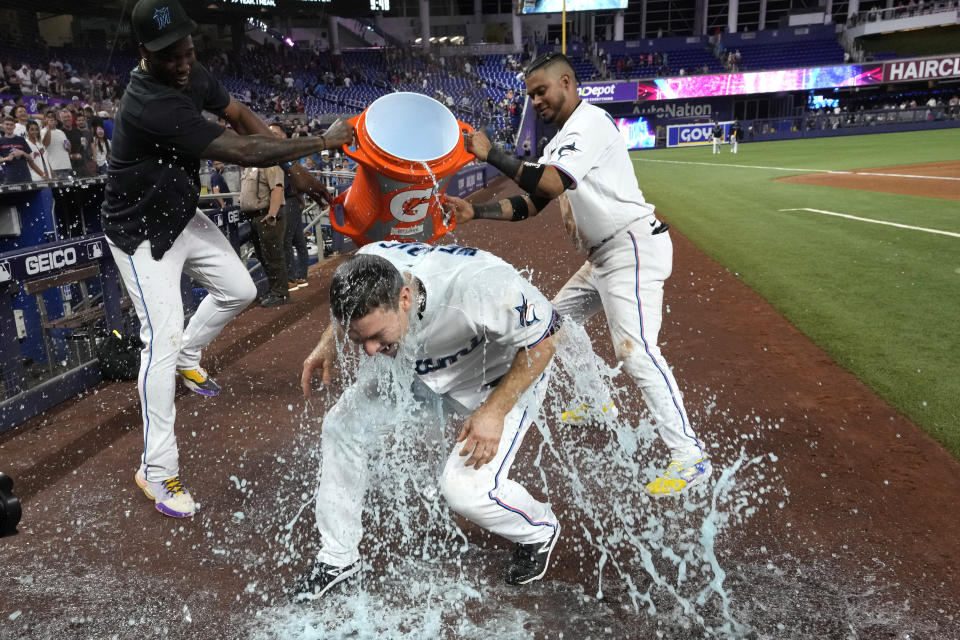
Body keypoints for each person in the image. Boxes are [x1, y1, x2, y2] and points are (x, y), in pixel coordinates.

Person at [101, 0, 355, 519]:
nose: (182, 62)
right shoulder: (149, 102)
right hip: (141, 233)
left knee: (239, 290)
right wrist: (321, 142)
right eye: (170, 55)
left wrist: (300, 168)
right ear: (146, 53)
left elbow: (239, 115)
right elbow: (241, 151)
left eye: (187, 50)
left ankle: (191, 356)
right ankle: (156, 470)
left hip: (178, 214)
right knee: (160, 342)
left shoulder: (191, 72)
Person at [444, 53, 711, 497]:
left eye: (541, 91)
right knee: (550, 325)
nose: (535, 101)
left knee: (636, 351)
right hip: (602, 258)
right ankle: (597, 404)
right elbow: (531, 203)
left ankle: (689, 456)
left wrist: (493, 155)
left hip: (631, 247)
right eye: (530, 95)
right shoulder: (560, 143)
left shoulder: (591, 123)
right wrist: (477, 211)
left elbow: (548, 184)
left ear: (566, 82)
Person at [293, 241, 563, 600]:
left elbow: (547, 337)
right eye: (360, 338)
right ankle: (338, 555)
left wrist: (496, 410)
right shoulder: (370, 266)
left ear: (405, 297)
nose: (370, 349)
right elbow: (347, 311)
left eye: (376, 336)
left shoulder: (482, 288)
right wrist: (330, 340)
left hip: (496, 381)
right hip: (423, 374)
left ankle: (538, 529)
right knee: (342, 428)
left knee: (464, 490)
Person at [239, 124, 289, 307]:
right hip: (254, 217)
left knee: (273, 256)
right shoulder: (251, 165)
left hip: (267, 216)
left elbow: (277, 188)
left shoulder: (270, 163)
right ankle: (273, 289)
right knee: (263, 256)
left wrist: (272, 214)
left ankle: (281, 293)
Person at [0, 115, 44, 184]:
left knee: (29, 195)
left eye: (11, 125)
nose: (9, 127)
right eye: (7, 124)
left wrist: (22, 153)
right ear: (3, 125)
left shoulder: (21, 139)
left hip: (25, 175)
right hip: (10, 176)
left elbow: (30, 158)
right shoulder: (1, 141)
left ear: (14, 126)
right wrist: (6, 158)